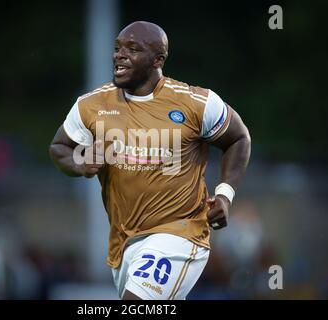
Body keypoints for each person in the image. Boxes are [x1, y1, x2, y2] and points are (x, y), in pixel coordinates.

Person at [49, 21, 251, 300]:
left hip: (179, 233)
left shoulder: (195, 103)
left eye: (133, 49)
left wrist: (225, 195)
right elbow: (59, 147)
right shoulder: (92, 105)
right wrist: (79, 163)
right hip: (124, 242)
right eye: (118, 47)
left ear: (158, 60)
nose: (120, 55)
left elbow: (238, 138)